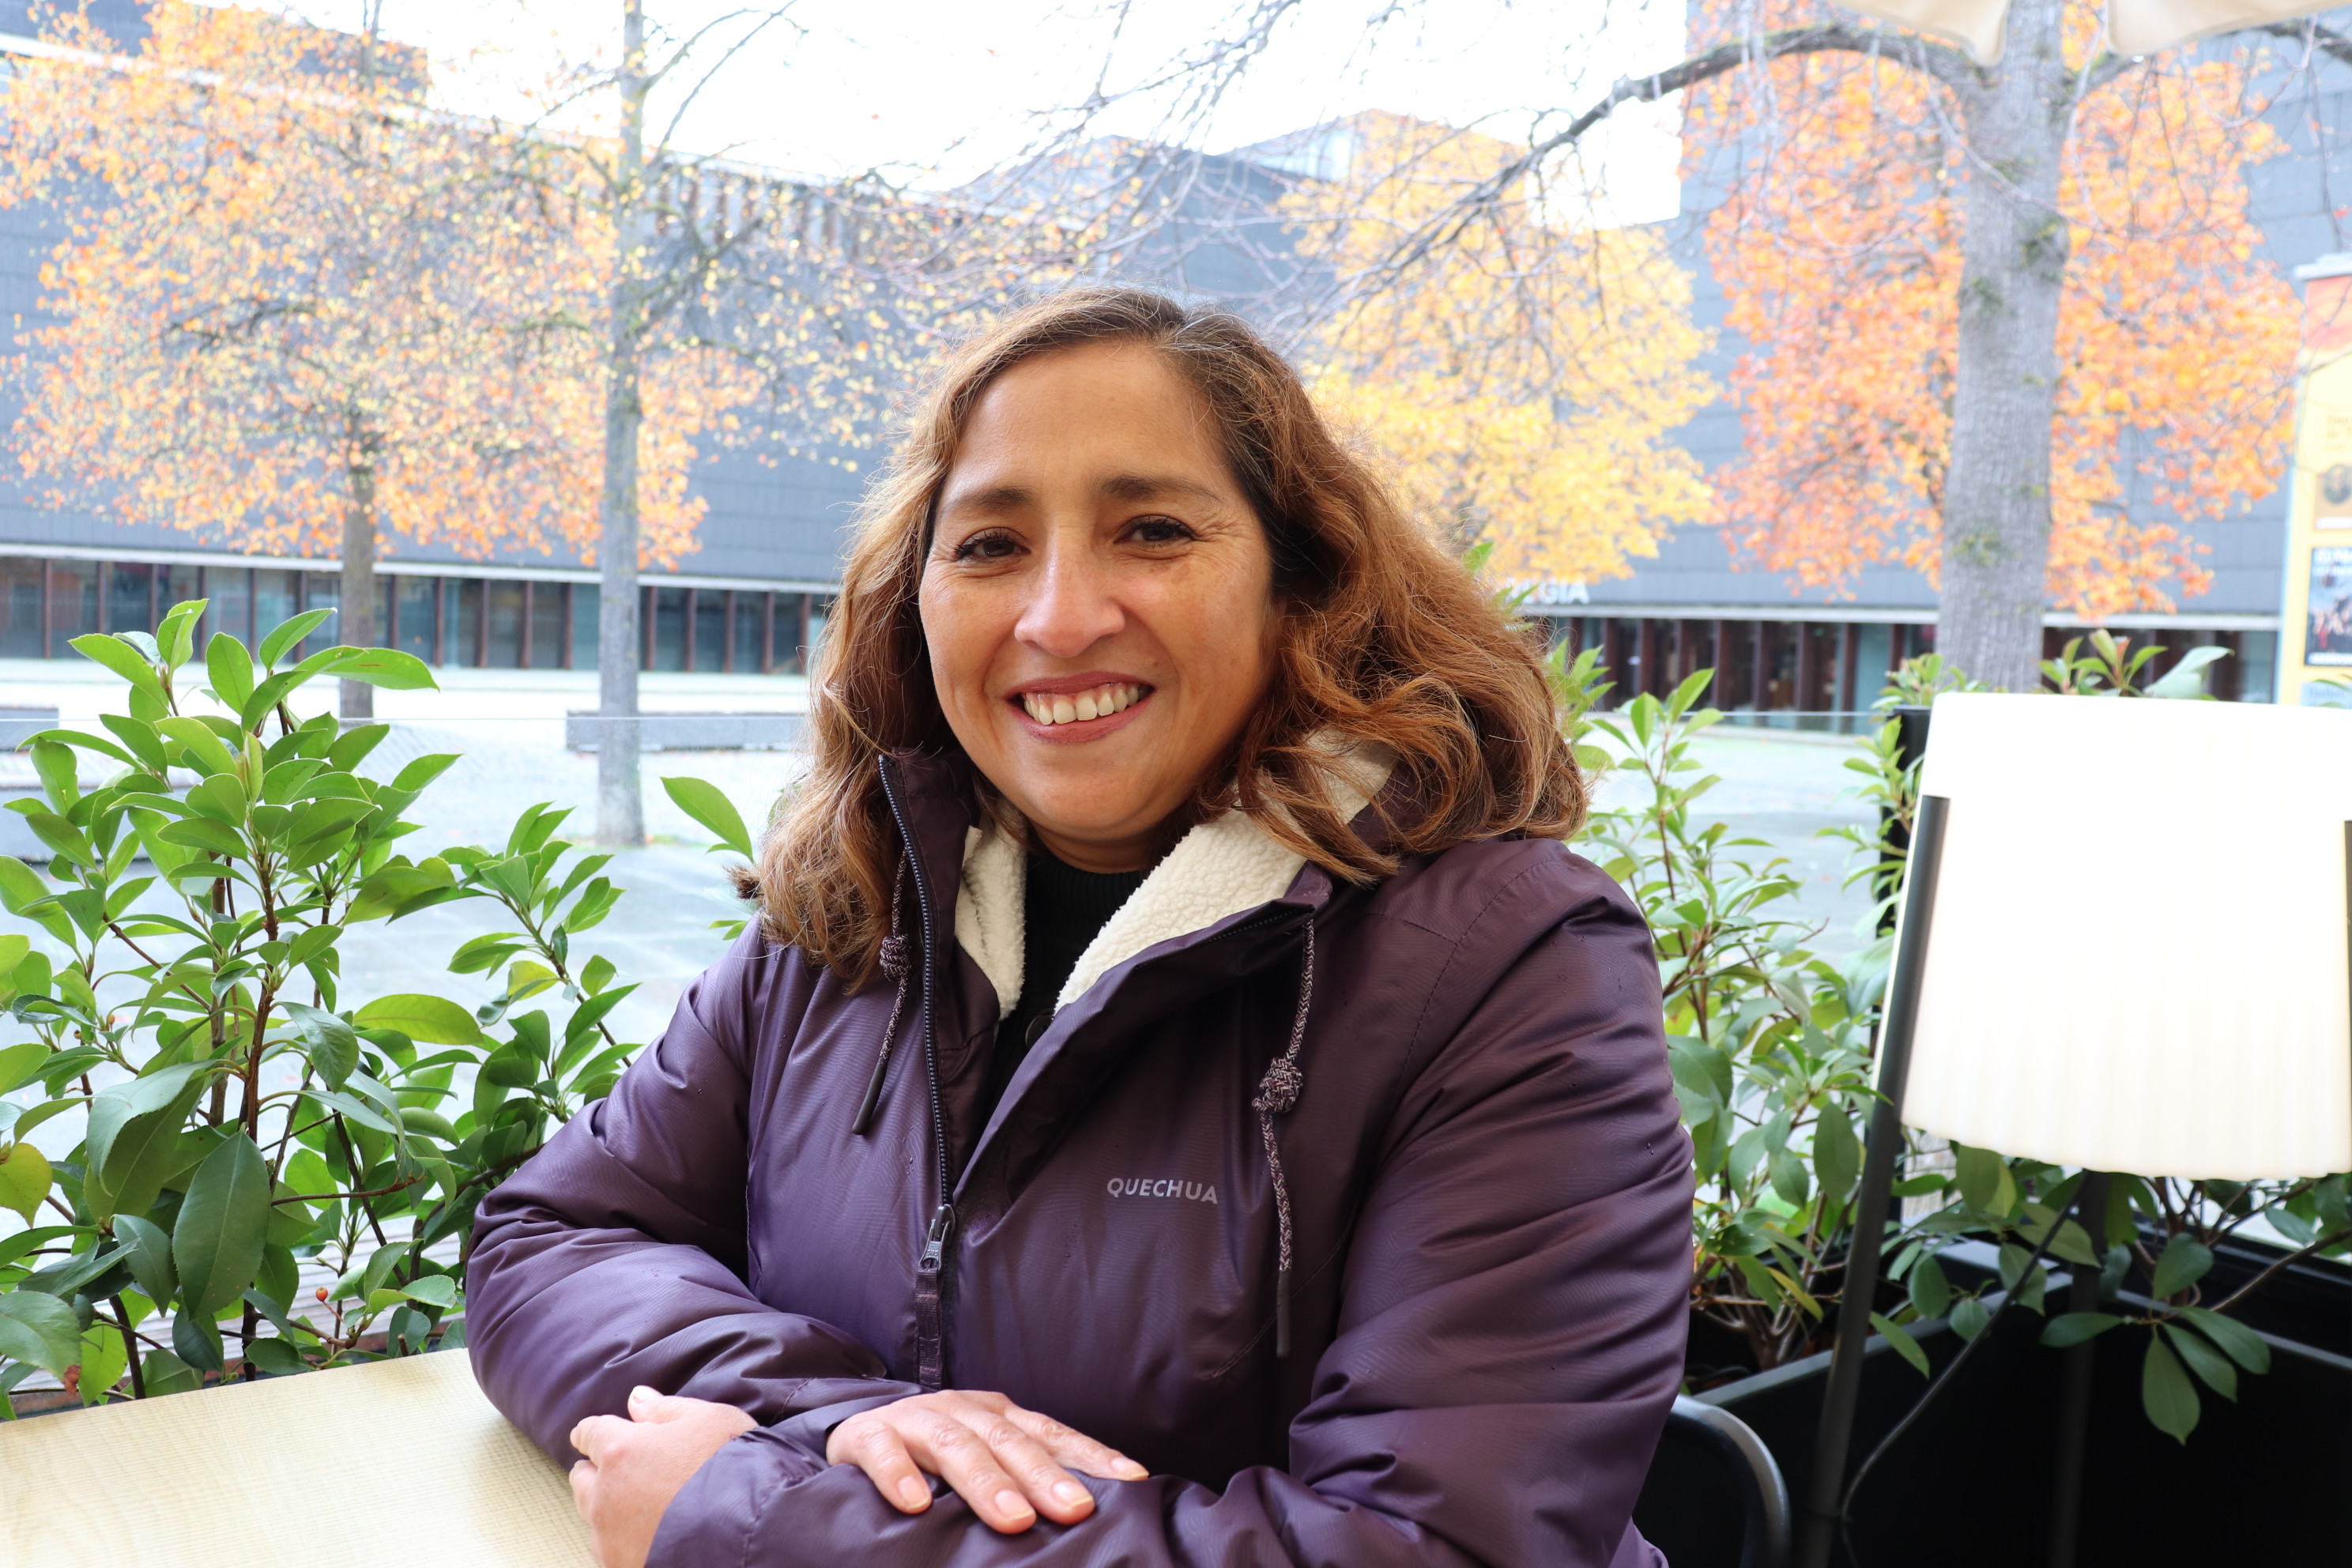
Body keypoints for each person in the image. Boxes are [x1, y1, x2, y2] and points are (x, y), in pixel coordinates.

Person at [466, 287, 1693, 1567]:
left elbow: (1439, 1548)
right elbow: (553, 1241)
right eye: (990, 544)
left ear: (1302, 586)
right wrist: (849, 1425)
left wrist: (767, 1520)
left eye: (1151, 529)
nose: (1058, 618)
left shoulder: (1509, 969)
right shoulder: (857, 910)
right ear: (917, 598)